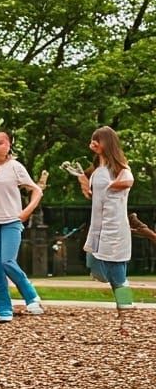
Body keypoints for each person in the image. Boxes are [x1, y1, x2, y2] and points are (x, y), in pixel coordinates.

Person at [0, 130, 44, 322]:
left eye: (1, 141)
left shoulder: (16, 167)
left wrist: (25, 213)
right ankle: (4, 310)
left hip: (11, 222)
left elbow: (37, 191)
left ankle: (30, 295)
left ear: (8, 145)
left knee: (7, 261)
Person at [74, 125, 134, 316]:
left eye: (97, 140)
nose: (93, 143)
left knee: (117, 274)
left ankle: (125, 309)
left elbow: (129, 180)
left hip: (115, 227)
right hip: (97, 227)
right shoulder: (97, 169)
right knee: (93, 263)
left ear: (107, 143)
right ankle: (122, 297)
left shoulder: (119, 168)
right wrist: (83, 181)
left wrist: (112, 185)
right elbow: (94, 195)